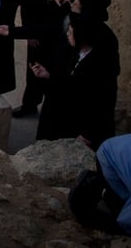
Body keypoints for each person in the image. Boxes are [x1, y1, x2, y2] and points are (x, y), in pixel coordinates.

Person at [16, 0, 91, 118]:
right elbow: (26, 3)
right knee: (35, 67)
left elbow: (84, 1)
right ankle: (29, 105)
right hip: (38, 31)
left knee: (60, 67)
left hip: (65, 33)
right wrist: (29, 32)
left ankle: (54, 107)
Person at [31, 14, 118, 150]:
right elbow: (69, 82)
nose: (67, 34)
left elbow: (102, 104)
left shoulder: (101, 66)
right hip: (66, 119)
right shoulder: (76, 54)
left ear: (82, 37)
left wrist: (87, 134)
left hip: (81, 128)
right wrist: (48, 75)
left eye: (71, 32)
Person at [69, 134, 131, 239]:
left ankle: (103, 192)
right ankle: (86, 207)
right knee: (122, 224)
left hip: (121, 147)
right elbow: (128, 221)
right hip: (110, 157)